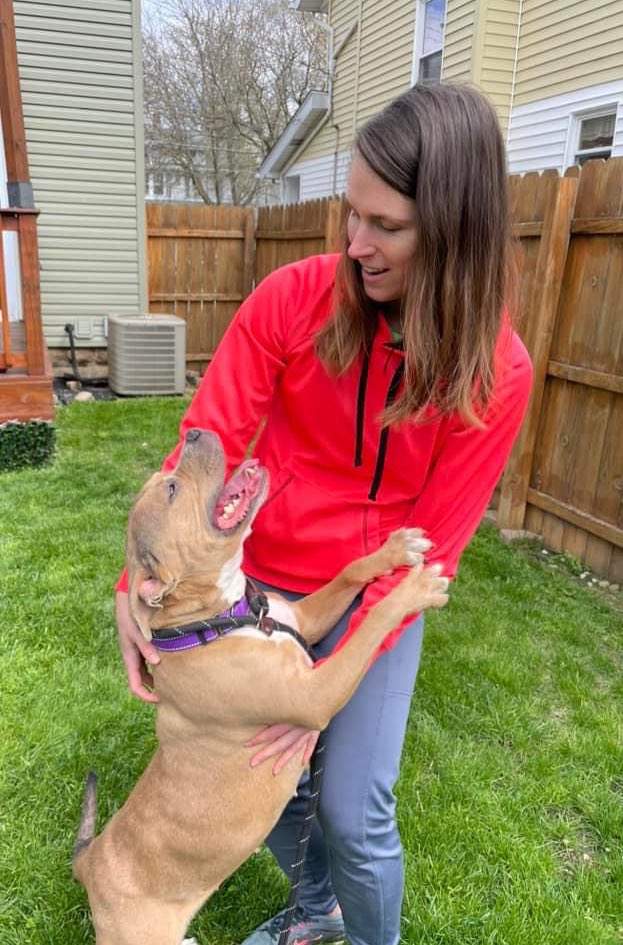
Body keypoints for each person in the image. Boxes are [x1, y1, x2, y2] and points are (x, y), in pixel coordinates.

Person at [115, 82, 532, 945]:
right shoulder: (291, 298)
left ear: (454, 230)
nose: (355, 242)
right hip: (257, 585)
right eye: (352, 214)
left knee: (350, 808)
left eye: (386, 226)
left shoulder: (496, 368)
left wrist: (308, 692)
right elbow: (207, 441)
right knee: (264, 781)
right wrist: (136, 587)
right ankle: (316, 912)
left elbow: (432, 555)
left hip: (375, 593)